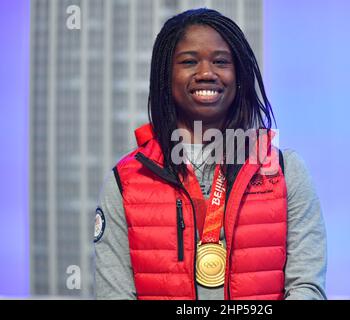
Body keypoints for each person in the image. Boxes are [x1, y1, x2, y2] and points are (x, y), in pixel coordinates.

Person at [94, 8, 327, 300]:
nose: (206, 73)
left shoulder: (284, 170)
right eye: (189, 62)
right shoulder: (126, 181)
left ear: (238, 76)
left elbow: (307, 288)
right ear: (166, 77)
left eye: (220, 62)